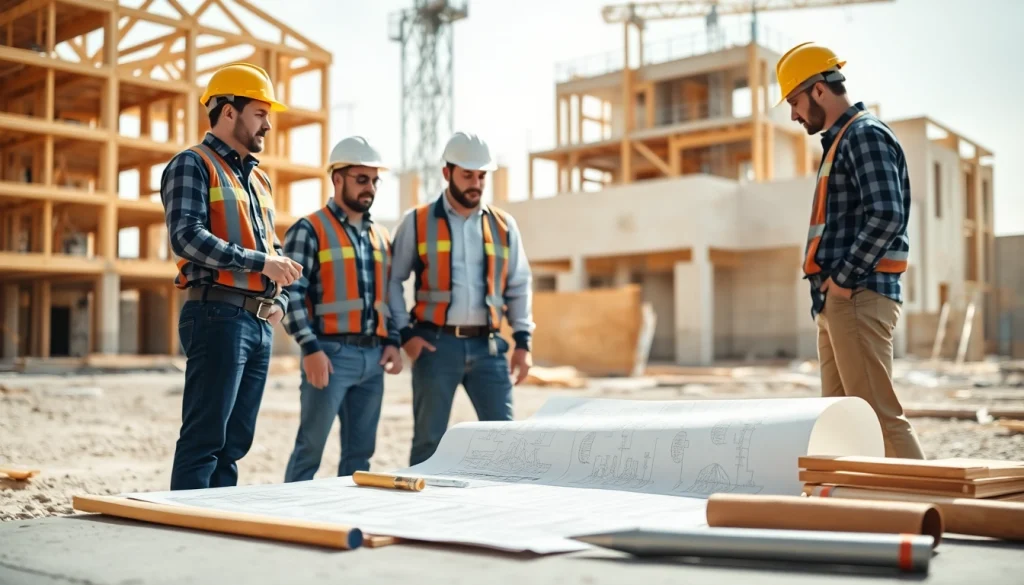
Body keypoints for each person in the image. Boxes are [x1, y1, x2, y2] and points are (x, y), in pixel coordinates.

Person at [777, 42, 925, 459]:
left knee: (878, 418)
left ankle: (934, 513)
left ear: (819, 90)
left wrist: (841, 282)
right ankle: (862, 512)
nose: (793, 113)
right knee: (841, 420)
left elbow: (887, 215)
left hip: (857, 295)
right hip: (837, 301)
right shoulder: (840, 140)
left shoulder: (864, 135)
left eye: (794, 101)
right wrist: (831, 294)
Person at [161, 62, 304, 490]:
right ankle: (186, 533)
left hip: (256, 322)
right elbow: (186, 237)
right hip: (217, 316)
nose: (268, 125)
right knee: (205, 438)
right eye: (260, 113)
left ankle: (216, 530)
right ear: (228, 112)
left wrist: (279, 299)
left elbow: (272, 246)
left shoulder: (258, 177)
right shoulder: (192, 164)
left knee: (234, 443)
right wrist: (262, 264)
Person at [387, 131, 535, 466]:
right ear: (447, 173)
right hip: (435, 347)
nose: (476, 183)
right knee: (428, 443)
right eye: (467, 175)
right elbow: (392, 281)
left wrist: (524, 342)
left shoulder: (503, 225)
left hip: (491, 349)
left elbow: (519, 285)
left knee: (506, 441)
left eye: (482, 176)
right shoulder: (417, 222)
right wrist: (405, 336)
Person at [281, 136, 403, 482]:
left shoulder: (380, 236)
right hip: (330, 355)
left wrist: (393, 341)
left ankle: (346, 519)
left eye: (374, 181)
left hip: (374, 358)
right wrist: (310, 349)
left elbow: (388, 296)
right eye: (361, 180)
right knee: (310, 448)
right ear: (337, 179)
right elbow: (292, 294)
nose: (370, 189)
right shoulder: (310, 229)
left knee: (360, 454)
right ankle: (289, 520)